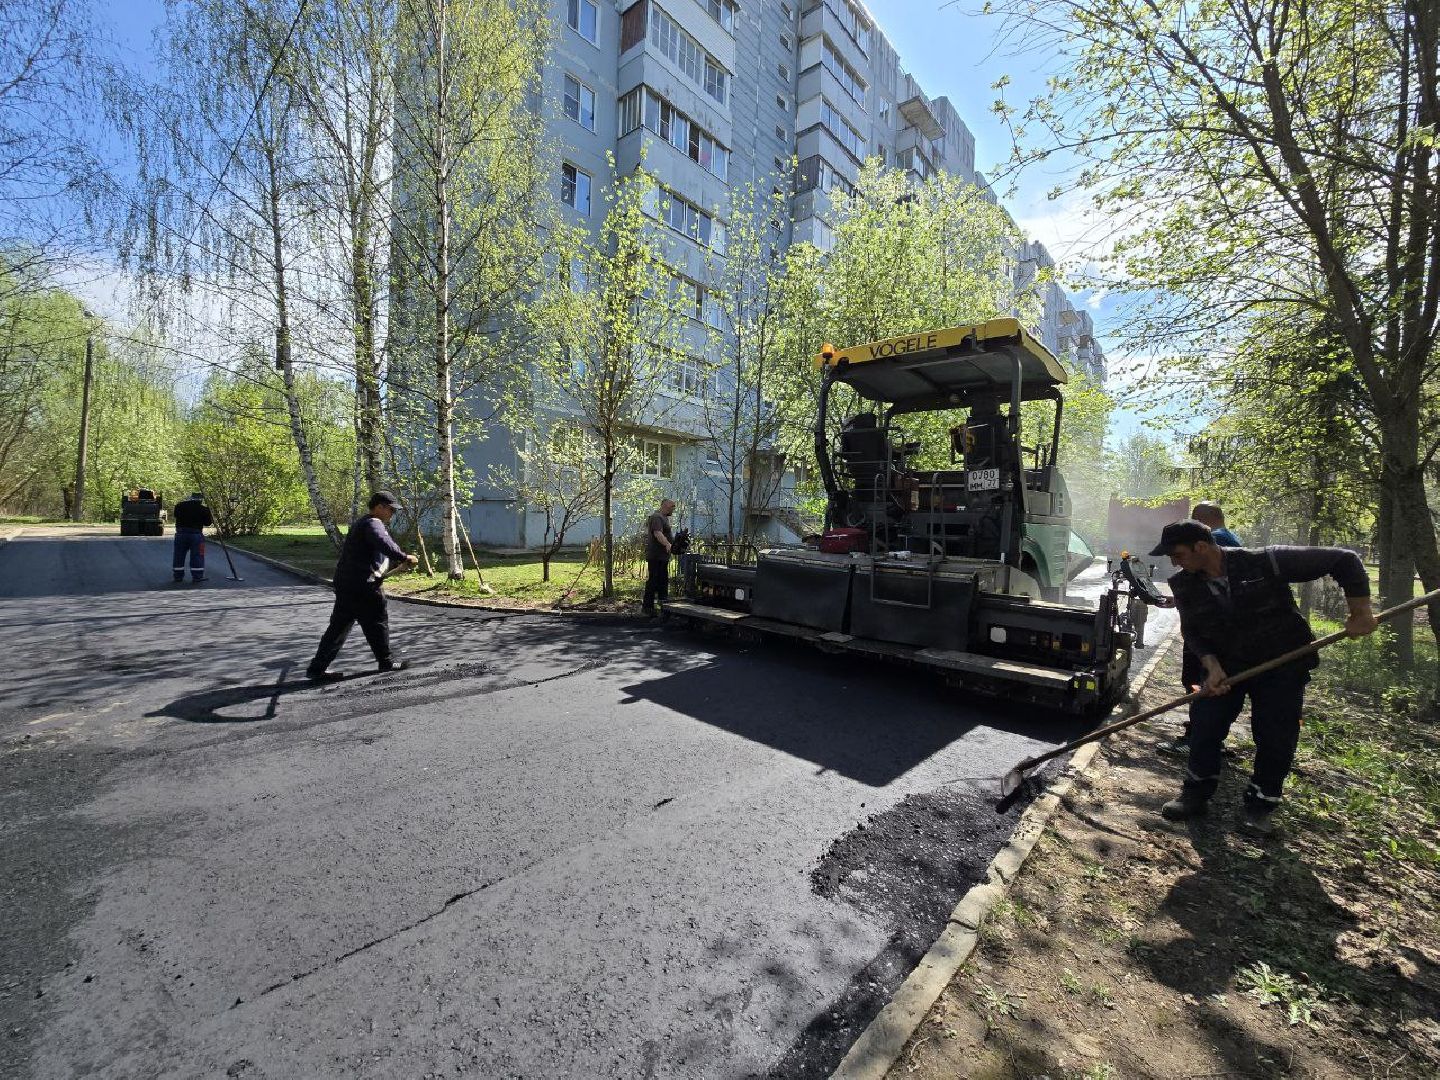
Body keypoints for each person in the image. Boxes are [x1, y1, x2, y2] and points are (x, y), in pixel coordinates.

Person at [1148, 520, 1378, 835]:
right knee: (1205, 724)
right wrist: (1211, 666)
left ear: (1200, 547)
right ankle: (1195, 794)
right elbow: (1193, 630)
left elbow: (1344, 560)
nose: (1175, 563)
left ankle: (1259, 806)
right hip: (1227, 666)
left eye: (1178, 554)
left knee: (1276, 735)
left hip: (1281, 662)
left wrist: (1360, 612)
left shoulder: (1264, 561)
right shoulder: (1184, 583)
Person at [306, 491, 418, 682]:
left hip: (348, 584)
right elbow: (383, 543)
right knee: (377, 623)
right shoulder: (373, 523)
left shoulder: (363, 524)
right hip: (364, 587)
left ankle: (316, 669)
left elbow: (372, 552)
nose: (392, 514)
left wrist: (394, 563)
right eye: (391, 510)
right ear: (380, 507)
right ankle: (386, 662)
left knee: (338, 628)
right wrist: (403, 557)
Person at [1163, 501, 1243, 755]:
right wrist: (1181, 599)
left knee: (1201, 685)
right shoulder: (1231, 538)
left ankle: (1197, 740)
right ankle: (1205, 739)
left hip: (1210, 633)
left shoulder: (1217, 540)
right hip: (1219, 631)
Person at [642, 498, 676, 616]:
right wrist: (667, 544)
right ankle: (648, 608)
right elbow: (658, 533)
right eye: (672, 507)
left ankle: (663, 607)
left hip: (662, 557)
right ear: (665, 506)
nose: (673, 509)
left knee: (662, 582)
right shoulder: (657, 517)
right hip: (656, 556)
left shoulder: (664, 518)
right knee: (653, 581)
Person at [171, 492, 214, 583]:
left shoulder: (179, 506)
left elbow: (175, 515)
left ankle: (178, 576)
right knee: (197, 555)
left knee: (179, 555)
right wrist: (209, 513)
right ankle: (197, 576)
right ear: (201, 500)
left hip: (181, 534)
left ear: (190, 498)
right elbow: (207, 523)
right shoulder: (203, 509)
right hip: (196, 535)